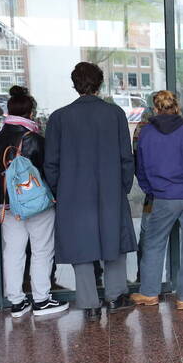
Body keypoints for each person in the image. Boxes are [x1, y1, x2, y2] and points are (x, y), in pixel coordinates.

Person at [44, 62, 137, 320]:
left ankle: (89, 305)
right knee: (114, 241)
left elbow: (51, 162)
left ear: (75, 84)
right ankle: (116, 296)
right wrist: (123, 186)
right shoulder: (115, 114)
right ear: (100, 83)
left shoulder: (59, 117)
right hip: (110, 188)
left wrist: (59, 190)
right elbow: (125, 157)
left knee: (80, 245)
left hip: (72, 192)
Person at [0, 89, 67, 318]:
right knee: (41, 250)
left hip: (7, 206)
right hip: (37, 206)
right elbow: (49, 171)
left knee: (14, 251)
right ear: (30, 112)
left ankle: (17, 302)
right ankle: (41, 300)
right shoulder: (35, 139)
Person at [131, 90, 183, 311]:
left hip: (163, 197)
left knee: (153, 244)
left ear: (155, 109)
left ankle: (150, 293)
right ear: (176, 107)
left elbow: (140, 169)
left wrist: (152, 190)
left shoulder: (146, 133)